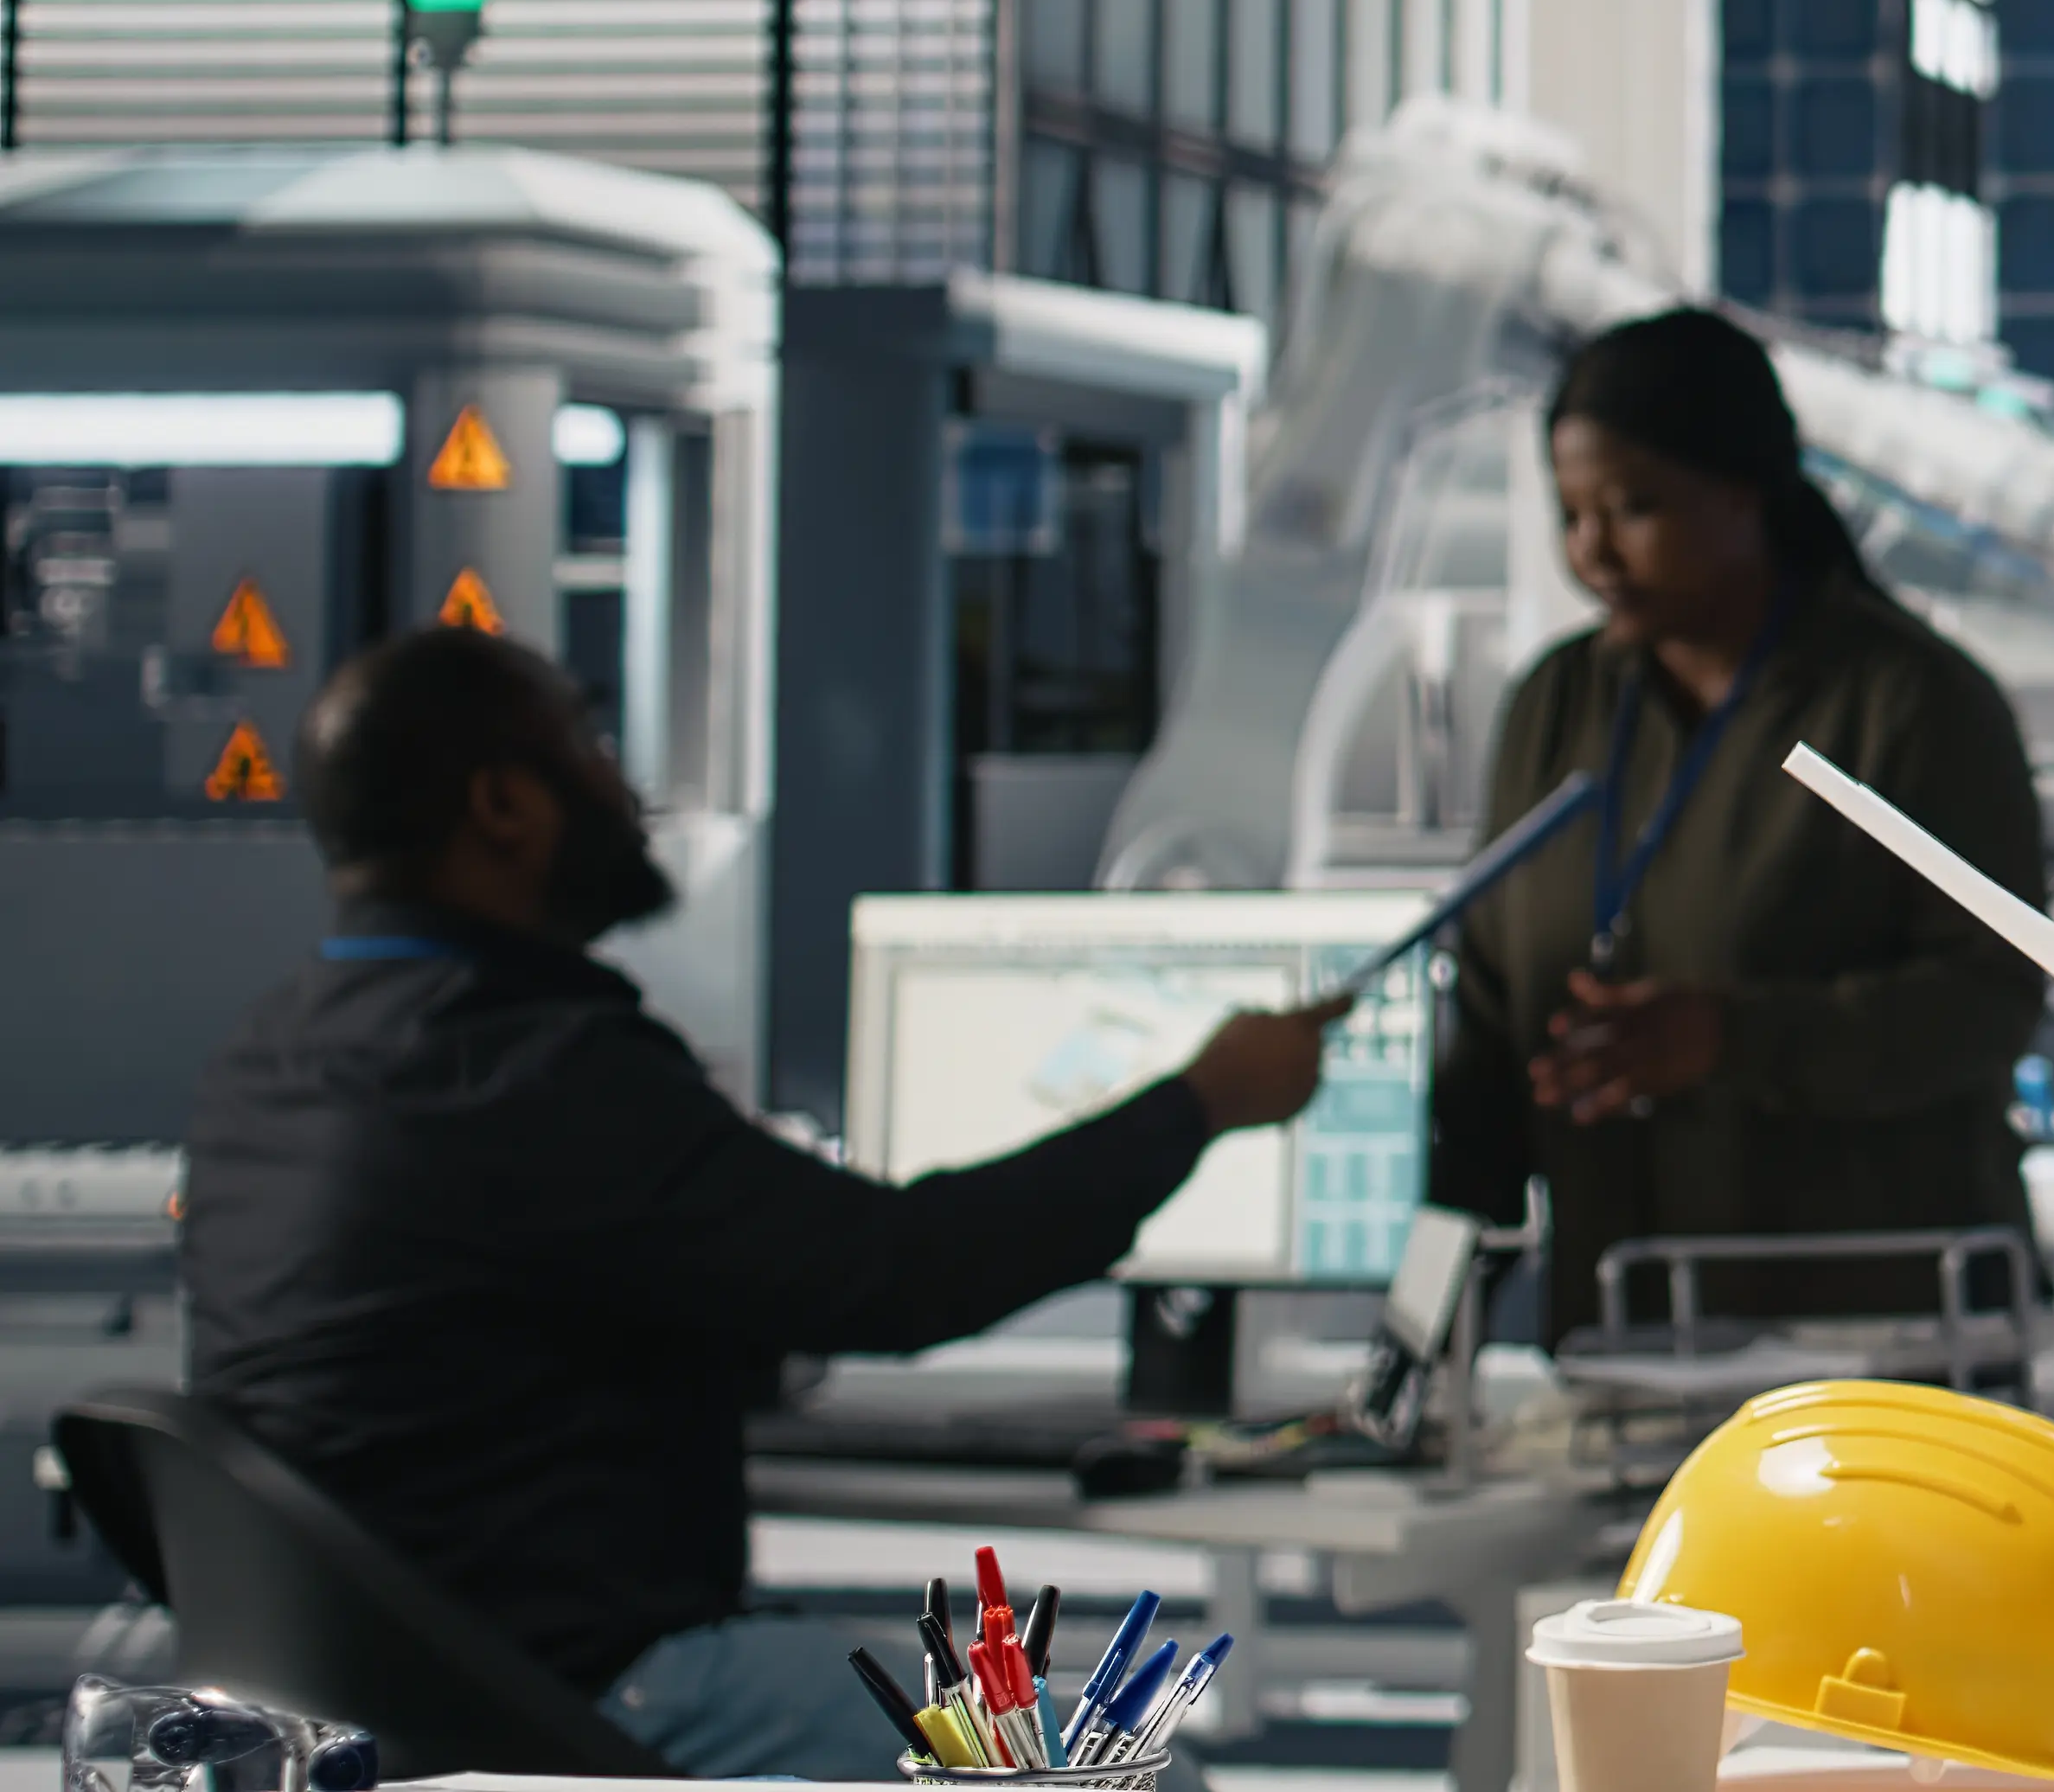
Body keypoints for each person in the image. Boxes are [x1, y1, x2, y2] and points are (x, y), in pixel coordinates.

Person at [176, 626, 1344, 1778]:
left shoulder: (263, 1062)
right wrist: (1196, 1106)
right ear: (503, 808)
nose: (618, 785)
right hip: (580, 1695)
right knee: (1128, 1772)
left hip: (357, 1709)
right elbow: (901, 1269)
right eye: (585, 745)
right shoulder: (535, 1068)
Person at [1430, 309, 2046, 1341]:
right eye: (1571, 513)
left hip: (1873, 1335)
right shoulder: (1557, 706)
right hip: (1619, 1321)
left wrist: (1731, 1038)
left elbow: (1986, 1000)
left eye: (1633, 509)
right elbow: (1492, 1014)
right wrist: (1434, 1302)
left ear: (1743, 488)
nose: (1593, 552)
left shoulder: (1909, 703)